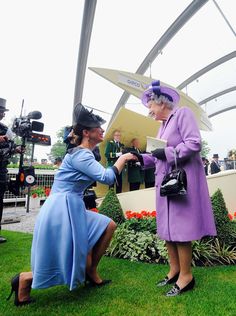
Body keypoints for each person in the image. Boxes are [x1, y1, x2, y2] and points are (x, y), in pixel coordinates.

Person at [7, 103, 135, 306]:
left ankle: (90, 271)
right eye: (98, 128)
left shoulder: (84, 153)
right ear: (86, 132)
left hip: (71, 205)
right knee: (64, 253)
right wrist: (124, 157)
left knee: (108, 225)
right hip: (62, 208)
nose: (102, 130)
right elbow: (107, 177)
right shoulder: (82, 154)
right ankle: (23, 279)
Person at [132, 80, 216, 297]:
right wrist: (140, 158)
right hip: (166, 184)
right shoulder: (162, 125)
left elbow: (193, 143)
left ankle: (186, 276)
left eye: (150, 104)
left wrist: (168, 153)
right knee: (168, 230)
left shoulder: (183, 114)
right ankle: (174, 270)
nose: (148, 109)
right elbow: (158, 155)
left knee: (180, 231)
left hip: (181, 183)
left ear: (161, 103)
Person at [0, 98, 24, 243]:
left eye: (3, 111)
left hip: (1, 171)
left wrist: (16, 150)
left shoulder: (4, 129)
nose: (3, 114)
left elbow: (8, 148)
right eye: (1, 111)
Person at [104, 129, 124, 193]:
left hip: (120, 167)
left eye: (119, 135)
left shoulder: (122, 145)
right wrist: (116, 154)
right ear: (114, 136)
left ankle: (119, 199)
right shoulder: (110, 143)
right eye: (117, 135)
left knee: (119, 184)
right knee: (111, 184)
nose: (118, 137)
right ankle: (111, 200)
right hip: (112, 166)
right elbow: (106, 154)